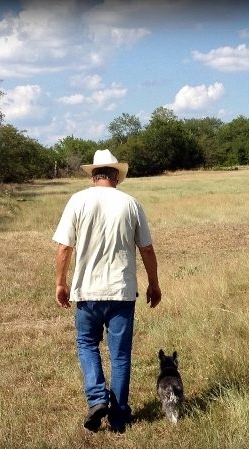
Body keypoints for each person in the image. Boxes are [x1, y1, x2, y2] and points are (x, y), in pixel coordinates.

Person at [52, 149, 162, 433]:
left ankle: (98, 398)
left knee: (87, 345)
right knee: (121, 355)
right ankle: (118, 417)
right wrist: (153, 283)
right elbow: (146, 248)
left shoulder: (78, 200)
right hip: (122, 292)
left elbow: (65, 246)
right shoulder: (131, 203)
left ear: (94, 176)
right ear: (115, 176)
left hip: (87, 292)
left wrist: (61, 283)